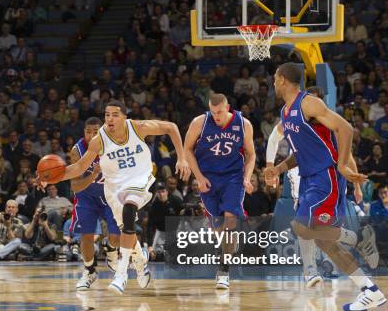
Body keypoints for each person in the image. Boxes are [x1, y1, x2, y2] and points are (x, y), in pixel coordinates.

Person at [263, 62, 383, 311]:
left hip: (324, 177)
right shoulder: (286, 113)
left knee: (301, 227)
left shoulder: (308, 103)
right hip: (309, 178)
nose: (273, 82)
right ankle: (369, 290)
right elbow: (299, 153)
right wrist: (279, 168)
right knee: (323, 241)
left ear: (283, 79)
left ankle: (357, 238)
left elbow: (346, 128)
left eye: (275, 78)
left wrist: (341, 164)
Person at [48, 100, 190, 295]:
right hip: (114, 187)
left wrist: (182, 158)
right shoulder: (99, 140)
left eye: (115, 114)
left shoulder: (138, 128)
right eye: (107, 115)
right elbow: (79, 168)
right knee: (127, 229)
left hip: (140, 179)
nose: (110, 119)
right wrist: (51, 178)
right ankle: (140, 262)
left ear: (125, 116)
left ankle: (121, 274)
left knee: (129, 209)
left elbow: (171, 127)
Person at [184, 93, 256, 290]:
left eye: (220, 112)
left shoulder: (244, 124)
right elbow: (187, 149)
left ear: (228, 108)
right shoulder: (200, 122)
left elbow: (250, 154)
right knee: (218, 226)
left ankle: (224, 270)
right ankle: (226, 250)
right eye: (213, 112)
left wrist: (247, 177)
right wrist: (198, 177)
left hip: (233, 176)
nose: (216, 116)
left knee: (230, 218)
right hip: (208, 177)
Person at [69, 117, 121, 291]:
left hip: (110, 195)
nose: (91, 135)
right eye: (87, 131)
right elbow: (75, 186)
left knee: (118, 233)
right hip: (86, 197)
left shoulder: (115, 145)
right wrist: (92, 176)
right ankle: (89, 270)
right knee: (86, 234)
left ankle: (111, 248)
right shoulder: (77, 151)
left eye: (95, 131)